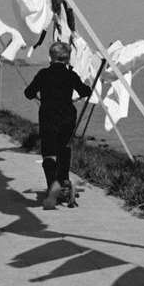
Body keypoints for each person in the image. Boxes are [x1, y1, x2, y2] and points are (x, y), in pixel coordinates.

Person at [23, 41, 91, 209]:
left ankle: (53, 184)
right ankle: (63, 179)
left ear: (51, 57)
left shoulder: (43, 74)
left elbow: (28, 93)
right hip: (68, 116)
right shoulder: (71, 75)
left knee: (48, 152)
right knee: (64, 148)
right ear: (67, 58)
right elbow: (85, 91)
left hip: (48, 115)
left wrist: (39, 96)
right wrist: (88, 88)